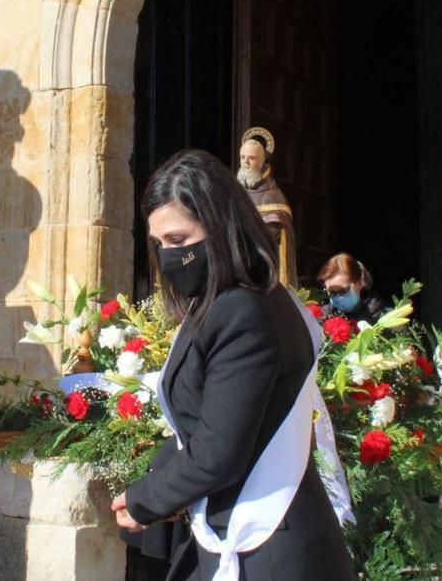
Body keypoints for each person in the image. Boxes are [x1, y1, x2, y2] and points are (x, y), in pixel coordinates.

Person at [112, 149, 353, 580]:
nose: (168, 257)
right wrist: (158, 477)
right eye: (159, 243)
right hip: (240, 531)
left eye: (179, 241)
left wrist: (146, 499)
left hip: (270, 547)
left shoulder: (242, 310)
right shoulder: (227, 301)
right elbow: (210, 421)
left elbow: (218, 452)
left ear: (220, 226)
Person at [236, 127, 297, 287]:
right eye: (242, 157)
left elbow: (277, 229)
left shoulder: (273, 195)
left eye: (252, 158)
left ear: (262, 160)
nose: (246, 163)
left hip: (262, 265)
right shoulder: (234, 190)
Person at [316, 253, 386, 324]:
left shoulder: (382, 319)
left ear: (360, 282)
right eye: (332, 292)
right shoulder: (324, 311)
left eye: (343, 290)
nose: (338, 297)